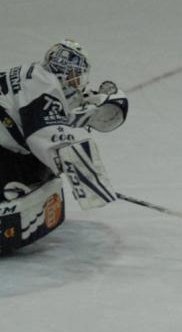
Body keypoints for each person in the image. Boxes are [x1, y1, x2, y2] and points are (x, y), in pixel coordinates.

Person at [0, 39, 128, 254]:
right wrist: (85, 176)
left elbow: (41, 118)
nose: (77, 80)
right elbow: (45, 135)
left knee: (38, 168)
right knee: (38, 167)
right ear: (64, 70)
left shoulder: (32, 74)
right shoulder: (44, 87)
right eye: (75, 73)